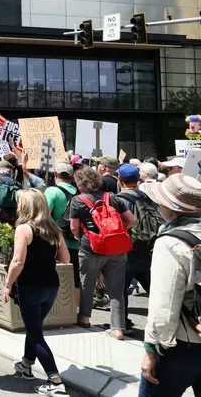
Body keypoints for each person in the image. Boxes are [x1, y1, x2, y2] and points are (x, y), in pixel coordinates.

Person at [136, 174, 201, 395]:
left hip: (183, 344)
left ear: (172, 209)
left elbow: (164, 306)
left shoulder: (171, 242)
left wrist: (151, 349)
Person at [4, 190, 71, 395]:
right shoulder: (54, 230)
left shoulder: (24, 229)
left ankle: (55, 380)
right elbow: (66, 259)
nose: (17, 207)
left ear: (26, 207)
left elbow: (18, 261)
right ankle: (26, 364)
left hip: (30, 286)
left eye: (19, 203)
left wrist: (7, 284)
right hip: (51, 285)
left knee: (36, 333)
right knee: (34, 327)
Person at [70, 166, 137, 338]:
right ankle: (117, 327)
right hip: (116, 248)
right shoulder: (112, 197)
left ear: (80, 183)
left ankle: (84, 318)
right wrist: (117, 233)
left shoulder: (78, 200)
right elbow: (131, 220)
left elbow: (74, 227)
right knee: (116, 288)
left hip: (91, 247)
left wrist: (81, 237)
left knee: (87, 283)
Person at [115, 164, 161, 329]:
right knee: (155, 290)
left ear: (120, 179)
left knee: (120, 288)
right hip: (147, 249)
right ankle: (162, 323)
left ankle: (122, 324)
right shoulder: (148, 197)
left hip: (128, 250)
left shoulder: (119, 199)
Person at [45, 163, 81, 305]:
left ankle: (58, 308)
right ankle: (76, 310)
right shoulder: (79, 192)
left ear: (55, 174)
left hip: (58, 241)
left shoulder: (51, 191)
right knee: (76, 278)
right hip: (77, 240)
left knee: (57, 275)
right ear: (72, 176)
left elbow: (45, 216)